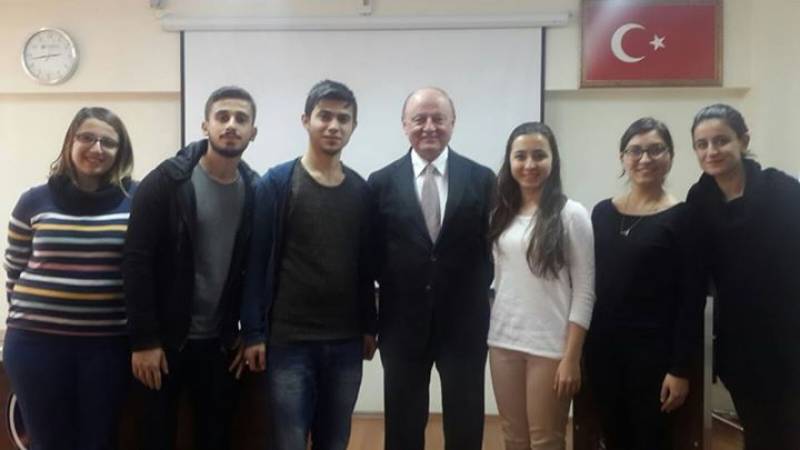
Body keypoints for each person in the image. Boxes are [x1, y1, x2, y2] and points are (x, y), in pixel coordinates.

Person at [240, 79, 376, 450]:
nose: (333, 126)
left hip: (346, 342)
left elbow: (365, 268)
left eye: (343, 119)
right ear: (306, 120)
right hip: (289, 342)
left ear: (353, 126)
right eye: (324, 116)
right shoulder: (276, 183)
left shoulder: (362, 191)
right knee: (289, 440)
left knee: (335, 440)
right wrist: (253, 332)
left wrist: (369, 325)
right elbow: (256, 262)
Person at [122, 86, 260, 450]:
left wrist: (252, 330)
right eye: (222, 117)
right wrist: (144, 340)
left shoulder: (255, 190)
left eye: (241, 119)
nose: (231, 125)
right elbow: (136, 261)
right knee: (156, 438)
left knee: (215, 438)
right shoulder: (167, 182)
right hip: (164, 344)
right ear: (205, 125)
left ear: (253, 132)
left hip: (219, 346)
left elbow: (257, 268)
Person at [367, 87, 495, 450]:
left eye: (438, 118)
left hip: (465, 324)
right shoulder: (380, 182)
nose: (429, 127)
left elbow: (493, 249)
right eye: (419, 119)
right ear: (404, 124)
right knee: (403, 423)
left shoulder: (482, 179)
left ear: (453, 123)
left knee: (465, 420)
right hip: (401, 324)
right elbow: (370, 256)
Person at [3, 107, 135, 450]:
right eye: (87, 137)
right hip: (36, 346)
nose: (97, 148)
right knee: (48, 443)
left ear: (120, 151)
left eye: (108, 142)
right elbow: (14, 269)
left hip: (107, 347)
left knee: (99, 442)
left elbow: (143, 269)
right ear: (69, 143)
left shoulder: (136, 200)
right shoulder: (33, 201)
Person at [584, 118, 705, 450]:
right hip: (603, 353)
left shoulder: (685, 217)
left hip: (656, 359)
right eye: (635, 150)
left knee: (653, 440)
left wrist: (680, 369)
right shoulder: (601, 213)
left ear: (670, 156)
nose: (645, 159)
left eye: (655, 150)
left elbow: (691, 299)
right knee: (613, 437)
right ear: (622, 157)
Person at [686, 104, 800, 450]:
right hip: (740, 343)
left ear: (743, 140)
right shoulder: (699, 199)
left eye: (721, 140)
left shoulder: (782, 189)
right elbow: (696, 270)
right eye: (702, 144)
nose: (711, 151)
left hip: (790, 333)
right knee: (758, 430)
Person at [487, 122, 594, 450]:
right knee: (513, 437)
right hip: (503, 342)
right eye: (520, 156)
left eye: (539, 155)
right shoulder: (501, 214)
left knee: (546, 440)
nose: (529, 164)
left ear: (553, 160)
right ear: (509, 161)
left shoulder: (571, 214)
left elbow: (585, 291)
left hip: (550, 348)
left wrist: (571, 357)